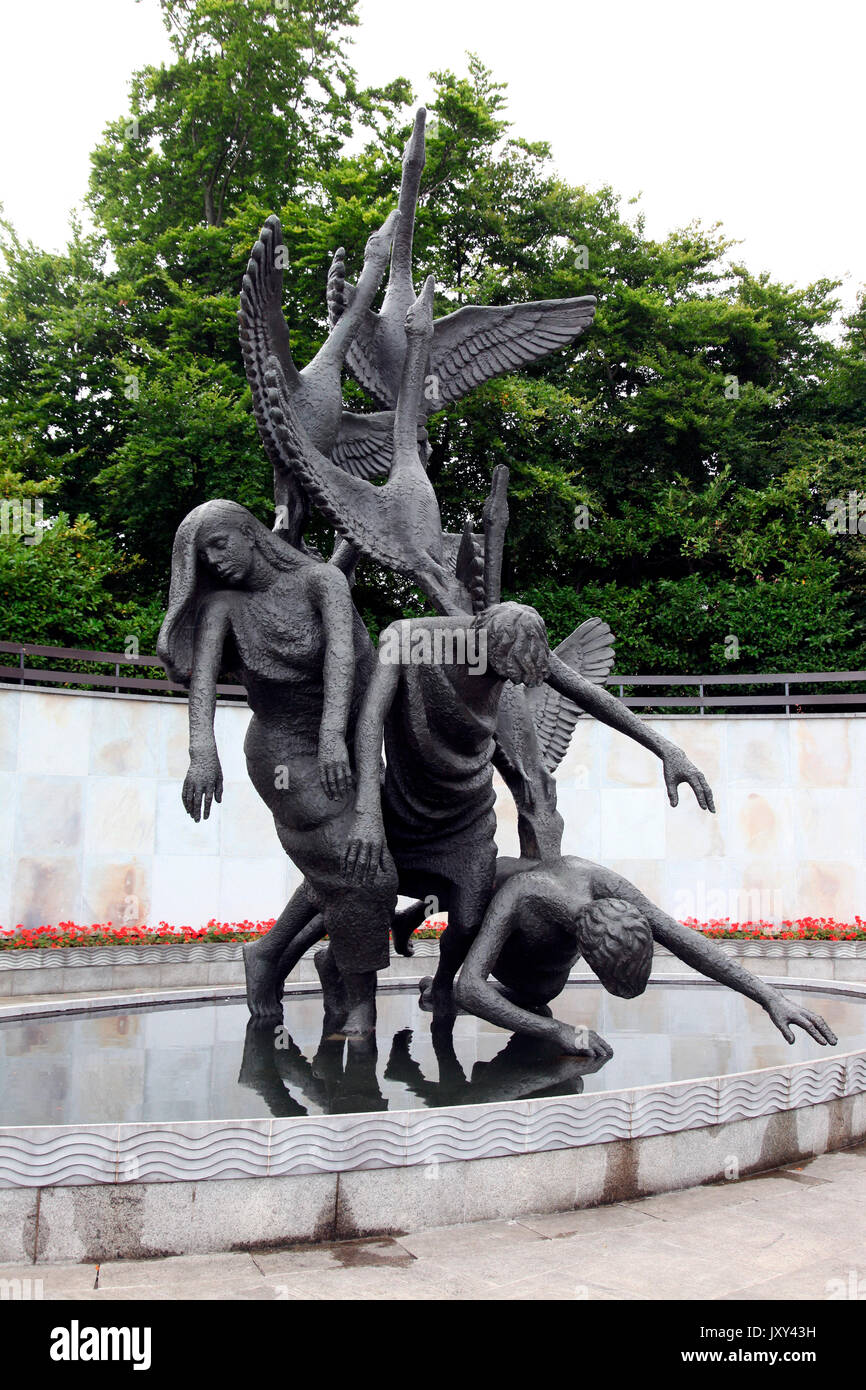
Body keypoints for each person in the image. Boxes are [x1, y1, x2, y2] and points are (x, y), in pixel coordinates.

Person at [343, 603, 715, 1017]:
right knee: (351, 880)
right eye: (502, 674)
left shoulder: (514, 643)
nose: (506, 686)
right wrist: (366, 814)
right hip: (405, 802)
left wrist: (665, 748)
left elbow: (591, 695)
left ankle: (440, 981)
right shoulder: (409, 639)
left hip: (467, 815)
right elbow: (369, 720)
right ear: (481, 645)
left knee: (469, 914)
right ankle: (364, 975)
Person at [157, 498, 397, 1034]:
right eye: (203, 555)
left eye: (219, 543)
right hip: (282, 751)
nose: (215, 560)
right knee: (364, 870)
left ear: (250, 532)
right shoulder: (222, 607)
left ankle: (267, 954)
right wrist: (202, 752)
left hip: (348, 742)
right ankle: (361, 1008)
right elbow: (203, 687)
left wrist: (336, 737)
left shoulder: (322, 582)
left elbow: (343, 658)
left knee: (345, 860)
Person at [454, 854, 839, 1057]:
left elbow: (680, 936)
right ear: (588, 955)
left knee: (542, 995)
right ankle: (437, 989)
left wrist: (769, 996)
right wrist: (560, 1032)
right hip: (481, 923)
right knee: (471, 940)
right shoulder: (525, 893)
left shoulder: (602, 883)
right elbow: (472, 987)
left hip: (537, 967)